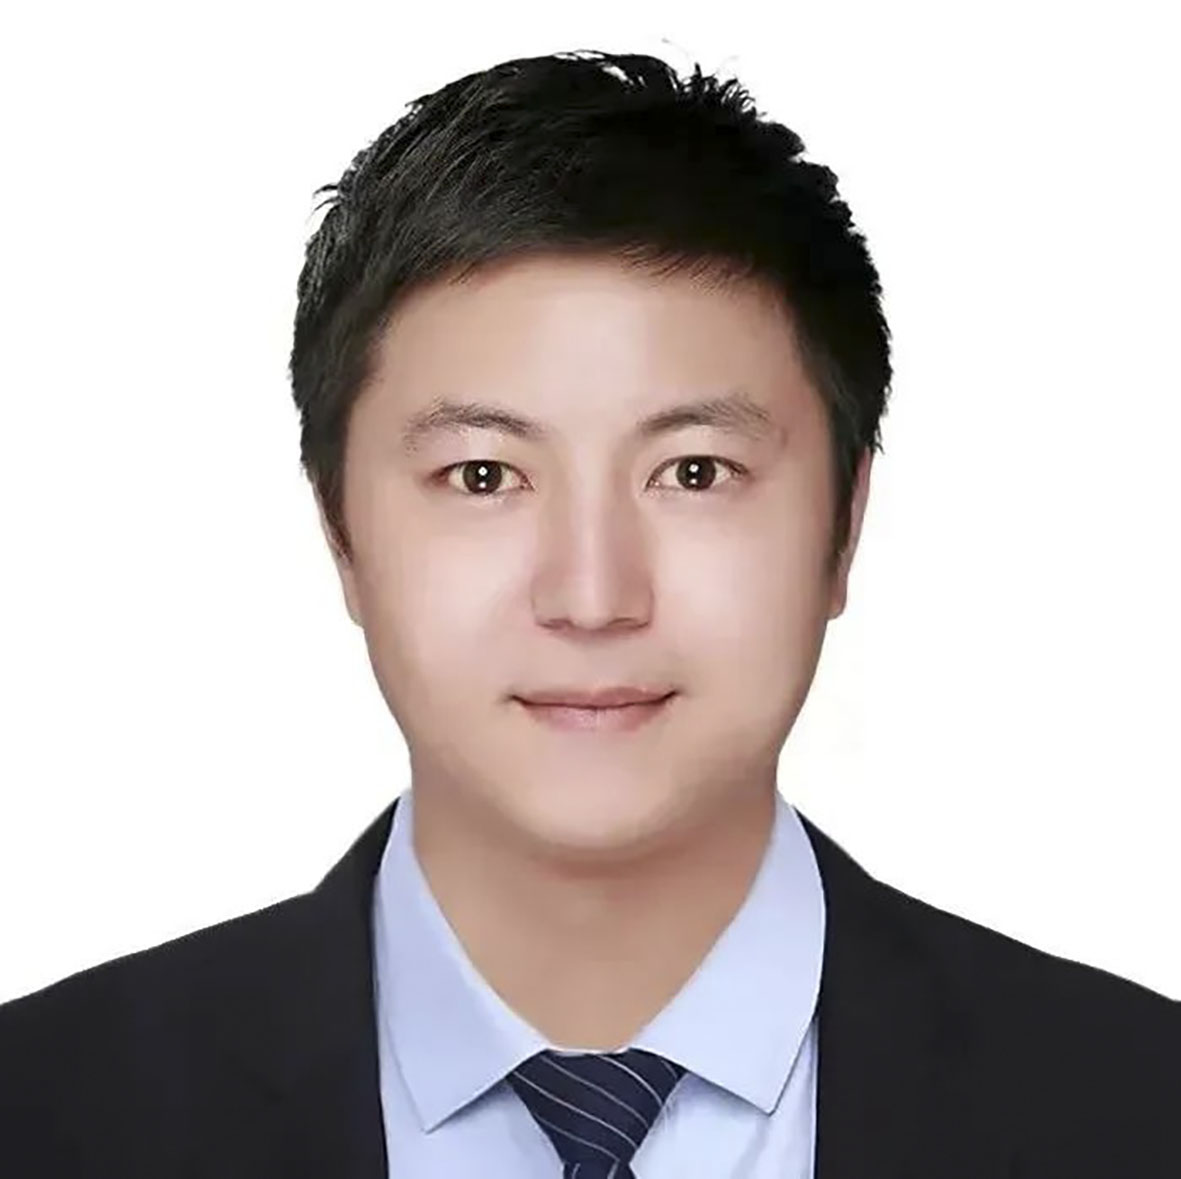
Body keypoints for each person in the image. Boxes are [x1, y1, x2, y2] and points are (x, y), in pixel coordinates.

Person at [0, 47, 1176, 1179]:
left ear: (844, 522)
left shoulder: (1137, 1106)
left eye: (694, 473)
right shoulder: (46, 1109)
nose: (592, 596)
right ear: (339, 529)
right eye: (483, 477)